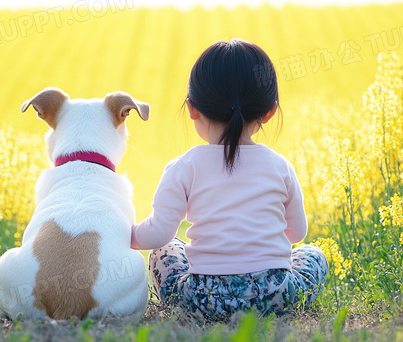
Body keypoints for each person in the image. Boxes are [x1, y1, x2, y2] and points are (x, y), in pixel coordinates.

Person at [130, 38, 328, 320]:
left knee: (164, 250)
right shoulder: (280, 166)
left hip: (204, 300)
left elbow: (158, 234)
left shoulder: (183, 166)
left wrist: (124, 235)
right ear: (269, 111)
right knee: (313, 254)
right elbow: (297, 234)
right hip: (276, 296)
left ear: (192, 108)